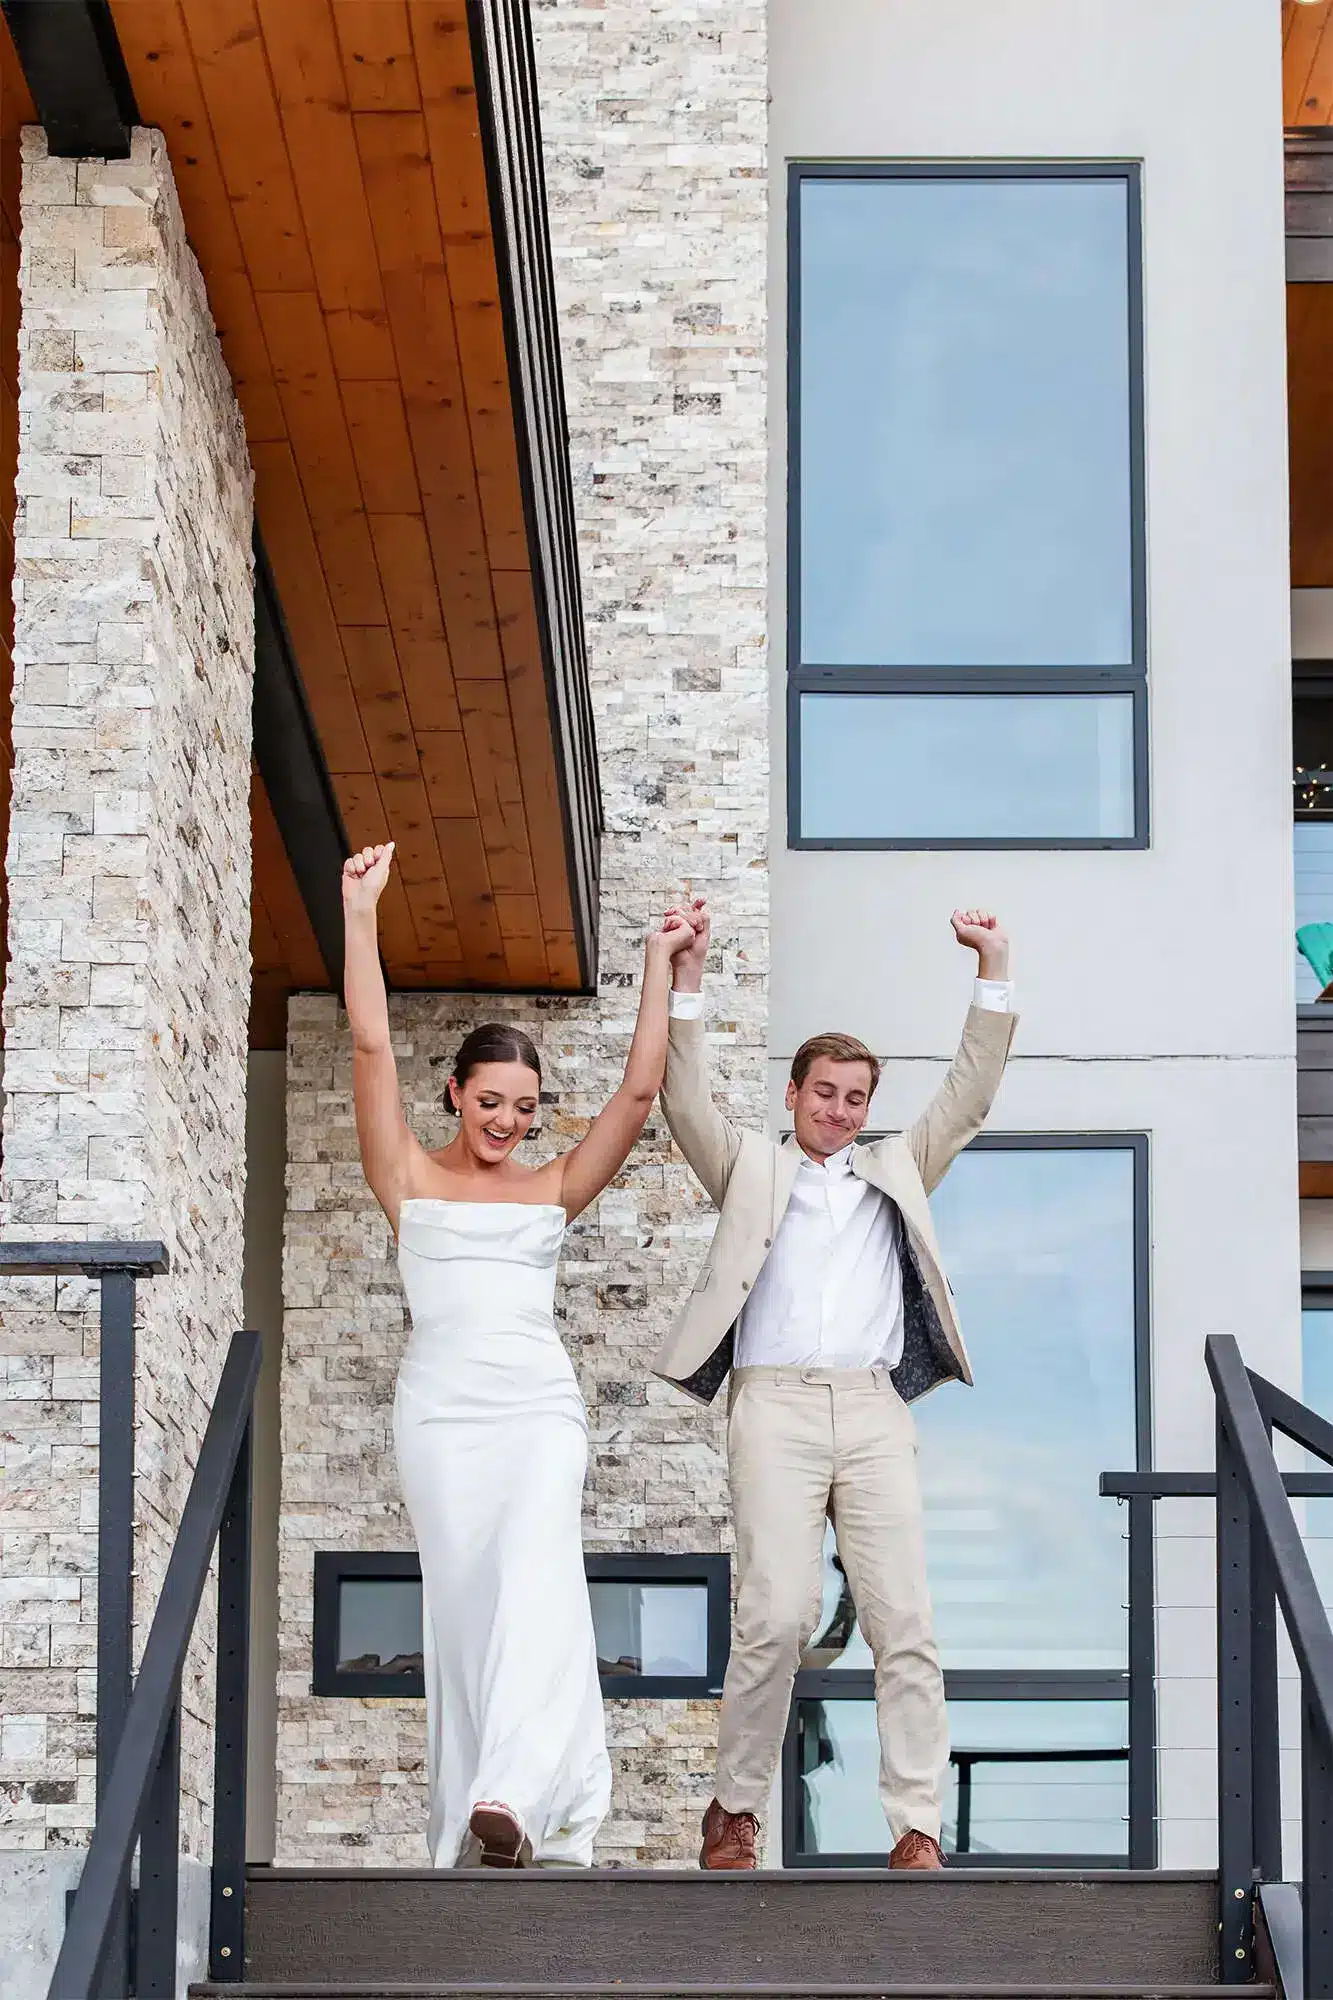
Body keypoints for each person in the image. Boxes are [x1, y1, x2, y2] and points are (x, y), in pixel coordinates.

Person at [342, 840, 694, 1869]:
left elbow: (634, 1097)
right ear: (453, 1091)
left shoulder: (548, 1189)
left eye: (524, 1106)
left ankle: (516, 1790)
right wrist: (360, 913)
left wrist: (657, 960)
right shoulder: (403, 1175)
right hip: (441, 1419)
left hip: (540, 1410)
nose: (508, 1119)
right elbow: (369, 1048)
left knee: (538, 1572)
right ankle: (479, 1816)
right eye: (490, 1099)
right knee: (466, 1607)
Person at [655, 901, 1017, 1872]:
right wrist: (684, 983)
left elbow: (967, 1095)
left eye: (855, 1095)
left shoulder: (893, 1167)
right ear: (793, 1093)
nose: (839, 1108)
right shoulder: (747, 1167)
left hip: (870, 1409)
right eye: (825, 1092)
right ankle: (734, 1812)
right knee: (774, 1611)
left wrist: (991, 964)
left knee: (904, 1618)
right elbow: (685, 1103)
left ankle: (914, 1825)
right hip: (772, 1404)